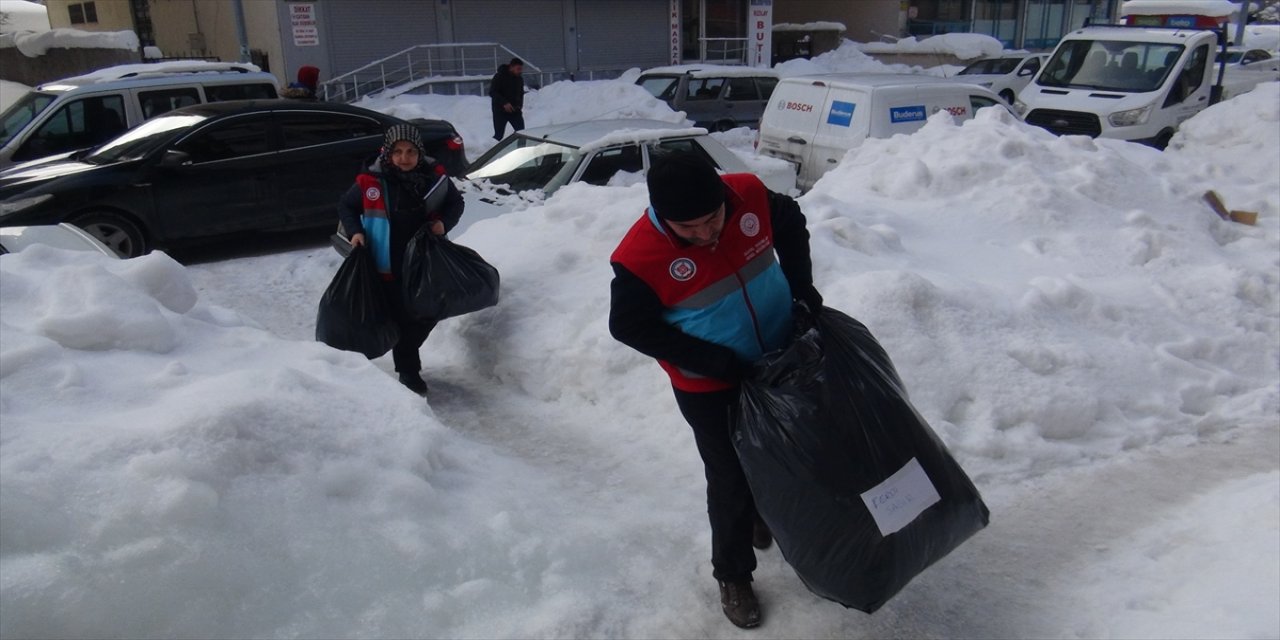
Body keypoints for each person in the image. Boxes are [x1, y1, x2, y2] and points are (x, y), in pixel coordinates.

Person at [608, 153, 821, 629]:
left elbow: (791, 221)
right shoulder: (639, 256)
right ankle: (733, 574)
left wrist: (801, 286)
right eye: (689, 228)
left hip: (778, 354)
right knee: (728, 476)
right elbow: (628, 327)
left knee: (785, 449)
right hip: (709, 384)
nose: (705, 234)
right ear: (663, 216)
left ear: (725, 198)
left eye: (712, 220)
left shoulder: (747, 192)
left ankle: (763, 514)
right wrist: (715, 362)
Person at [338, 123, 464, 395]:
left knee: (427, 313)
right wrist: (356, 231)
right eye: (397, 152)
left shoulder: (435, 178)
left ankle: (404, 352)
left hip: (425, 261)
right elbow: (346, 206)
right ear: (387, 153)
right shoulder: (370, 181)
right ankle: (408, 370)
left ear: (419, 153)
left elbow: (456, 203)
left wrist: (444, 222)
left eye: (410, 152)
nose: (403, 158)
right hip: (386, 261)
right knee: (403, 316)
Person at [488, 57, 525, 140]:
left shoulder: (519, 79)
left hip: (515, 111)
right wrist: (504, 103)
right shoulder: (499, 76)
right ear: (511, 67)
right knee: (498, 135)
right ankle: (494, 151)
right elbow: (492, 92)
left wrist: (519, 105)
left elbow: (521, 93)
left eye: (521, 69)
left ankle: (521, 150)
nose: (520, 71)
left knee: (522, 134)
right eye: (518, 69)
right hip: (500, 111)